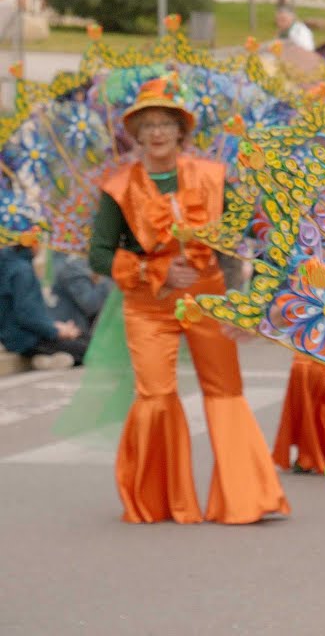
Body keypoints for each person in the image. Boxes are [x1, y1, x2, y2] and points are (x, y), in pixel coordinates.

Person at [88, 74, 289, 524]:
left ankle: (246, 498)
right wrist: (152, 269)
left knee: (226, 392)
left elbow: (248, 236)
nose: (157, 132)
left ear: (182, 131)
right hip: (148, 304)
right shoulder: (118, 189)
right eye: (148, 124)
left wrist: (243, 301)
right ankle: (157, 500)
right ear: (135, 134)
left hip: (208, 298)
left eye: (166, 123)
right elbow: (99, 254)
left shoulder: (214, 178)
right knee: (155, 395)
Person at [0, 245, 87, 369]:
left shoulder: (9, 265)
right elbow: (27, 315)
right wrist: (57, 331)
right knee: (88, 348)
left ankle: (45, 359)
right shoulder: (22, 271)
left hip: (13, 337)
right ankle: (45, 359)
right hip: (27, 339)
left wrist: (55, 325)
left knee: (79, 337)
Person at [272, 353, 325, 474]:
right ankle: (309, 458)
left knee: (308, 411)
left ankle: (308, 457)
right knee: (319, 412)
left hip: (302, 364)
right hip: (317, 365)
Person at [49, 252, 113, 336]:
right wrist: (110, 274)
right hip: (73, 331)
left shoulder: (61, 258)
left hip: (65, 326)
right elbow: (92, 304)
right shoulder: (71, 266)